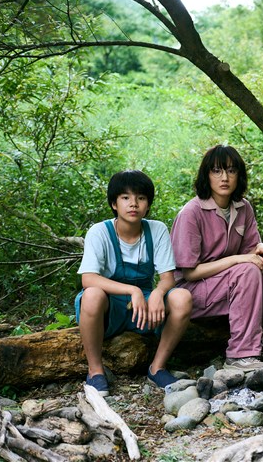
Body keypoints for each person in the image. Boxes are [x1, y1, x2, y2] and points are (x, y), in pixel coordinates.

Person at [170, 145, 263, 372]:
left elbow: (252, 252)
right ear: (206, 175)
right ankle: (240, 353)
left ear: (239, 175)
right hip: (193, 291)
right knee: (247, 269)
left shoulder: (243, 207)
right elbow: (189, 273)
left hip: (231, 282)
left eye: (231, 171)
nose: (224, 178)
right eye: (217, 171)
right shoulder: (191, 213)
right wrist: (237, 260)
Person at [76, 170, 192, 396]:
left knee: (182, 297)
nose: (133, 204)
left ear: (148, 204)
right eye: (125, 197)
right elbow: (88, 278)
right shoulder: (99, 232)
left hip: (146, 306)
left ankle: (157, 368)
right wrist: (132, 290)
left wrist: (157, 293)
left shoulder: (156, 229)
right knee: (91, 294)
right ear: (114, 203)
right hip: (110, 305)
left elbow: (168, 278)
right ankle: (95, 371)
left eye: (140, 198)